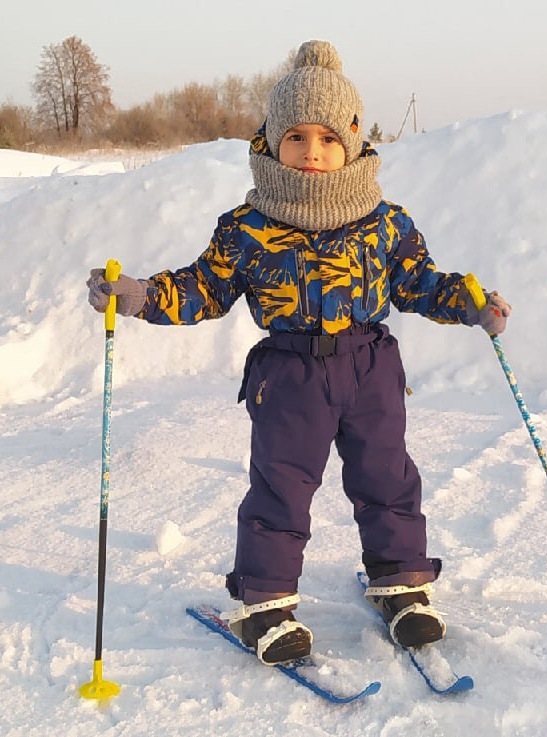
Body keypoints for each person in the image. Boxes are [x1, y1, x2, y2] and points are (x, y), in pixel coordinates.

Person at [87, 40, 511, 666]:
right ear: (271, 141)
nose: (312, 152)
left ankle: (400, 584)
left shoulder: (385, 222)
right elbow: (204, 287)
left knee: (387, 477)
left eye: (327, 138)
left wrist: (472, 304)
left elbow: (421, 283)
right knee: (280, 488)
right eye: (296, 137)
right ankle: (266, 603)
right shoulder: (248, 225)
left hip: (371, 366)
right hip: (288, 373)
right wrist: (142, 294)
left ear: (352, 143)